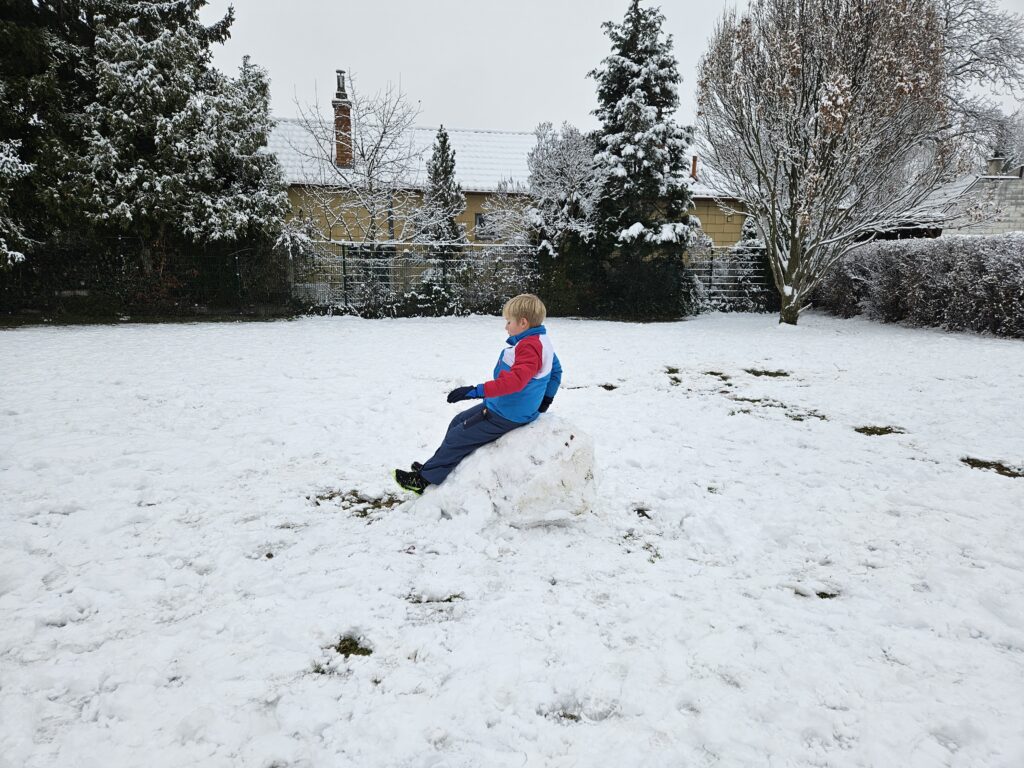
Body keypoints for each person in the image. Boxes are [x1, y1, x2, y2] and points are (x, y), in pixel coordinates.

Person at [394, 294, 563, 494]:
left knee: (458, 436)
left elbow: (516, 382)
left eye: (509, 322)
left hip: (507, 413)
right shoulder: (541, 340)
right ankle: (434, 467)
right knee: (458, 422)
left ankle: (423, 480)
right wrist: (545, 401)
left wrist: (476, 391)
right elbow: (556, 371)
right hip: (503, 405)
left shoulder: (529, 346)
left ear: (523, 322)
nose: (506, 327)